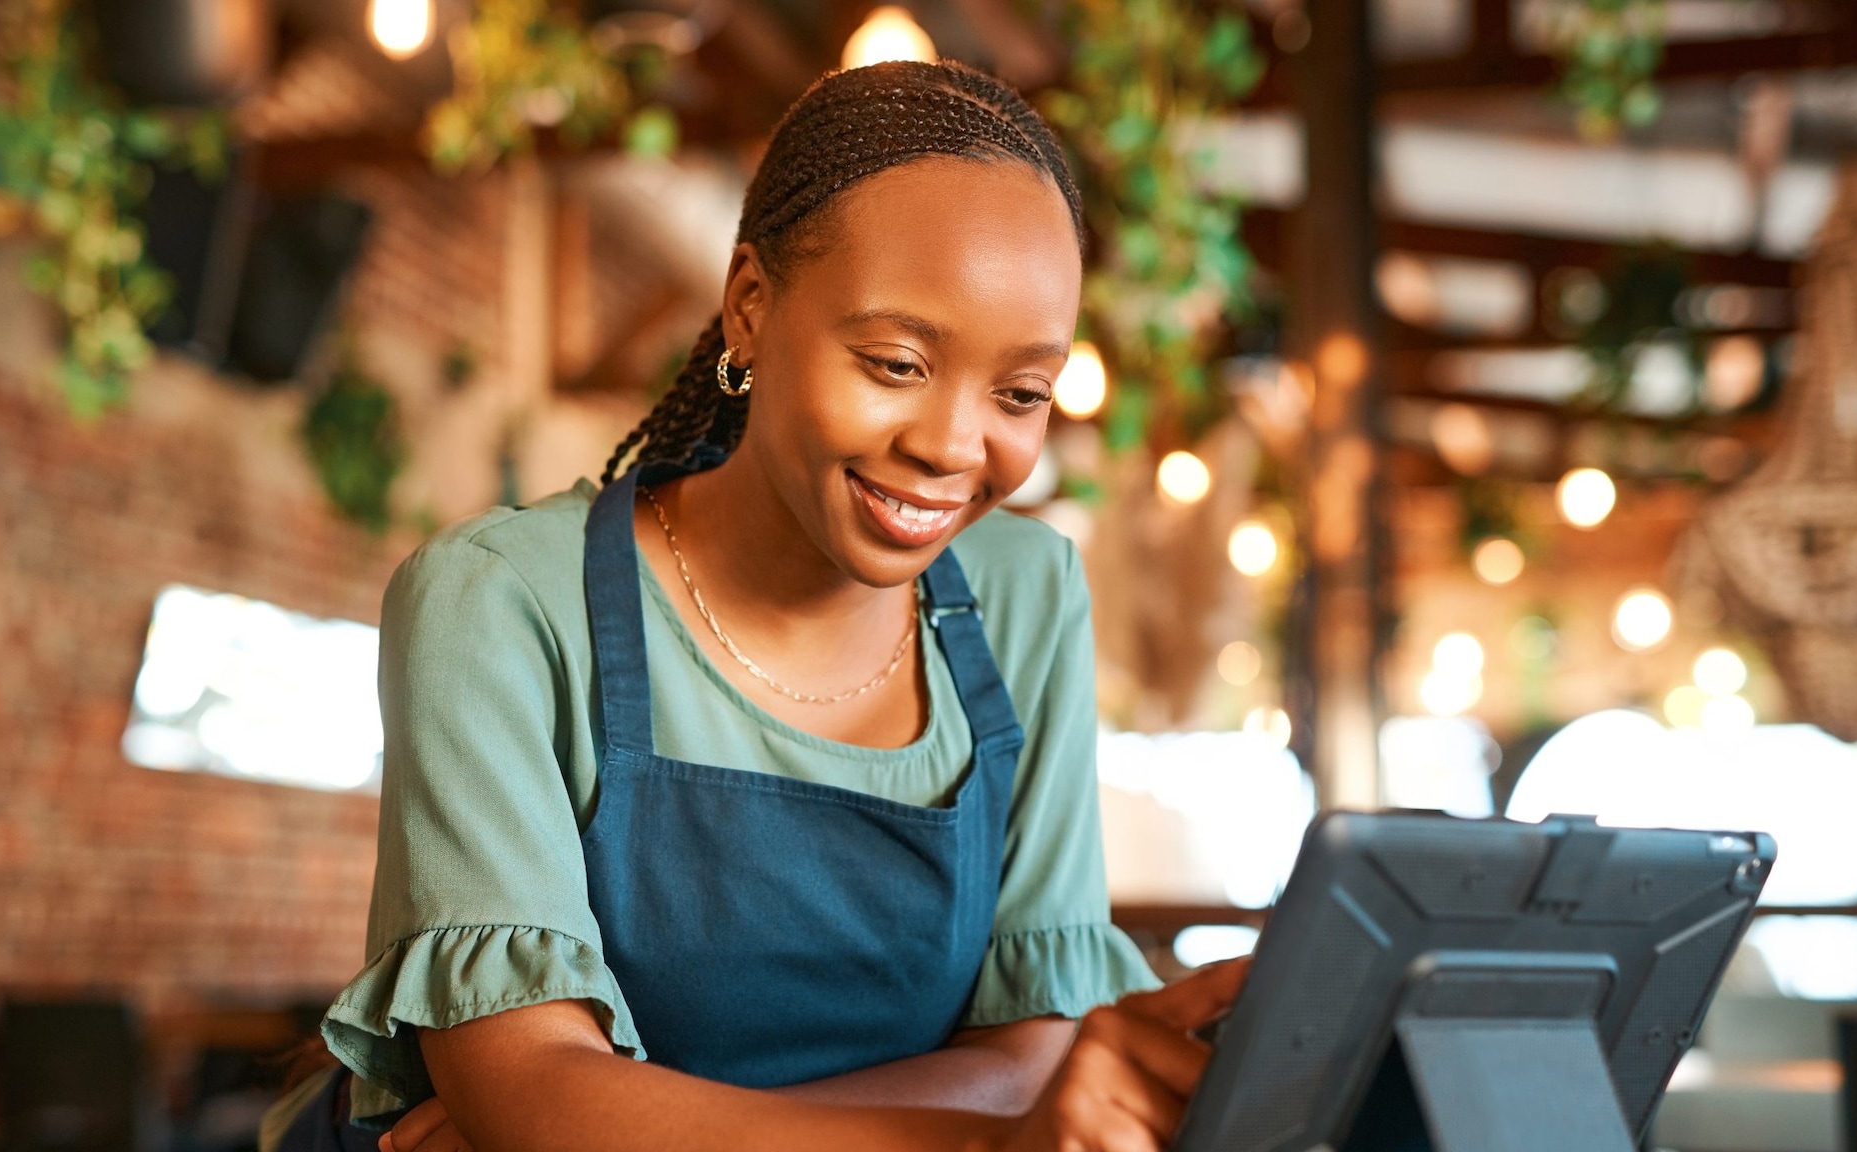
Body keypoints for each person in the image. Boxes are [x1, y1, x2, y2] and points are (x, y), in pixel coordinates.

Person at [272, 59, 1244, 1152]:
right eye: (894, 362)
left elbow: (1041, 1049)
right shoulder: (500, 602)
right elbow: (530, 1084)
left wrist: (609, 1124)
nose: (951, 445)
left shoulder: (1026, 594)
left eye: (1020, 393)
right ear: (749, 307)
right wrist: (990, 1141)